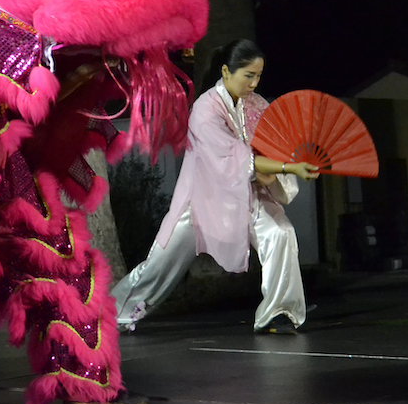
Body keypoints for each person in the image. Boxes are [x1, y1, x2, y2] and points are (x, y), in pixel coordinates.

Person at [111, 39, 319, 334]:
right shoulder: (205, 111)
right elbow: (237, 158)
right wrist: (288, 168)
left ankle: (279, 311)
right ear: (225, 71)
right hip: (204, 200)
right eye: (248, 75)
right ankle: (113, 311)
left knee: (280, 233)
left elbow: (275, 143)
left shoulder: (257, 104)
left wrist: (290, 158)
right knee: (161, 264)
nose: (254, 83)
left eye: (259, 76)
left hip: (247, 196)